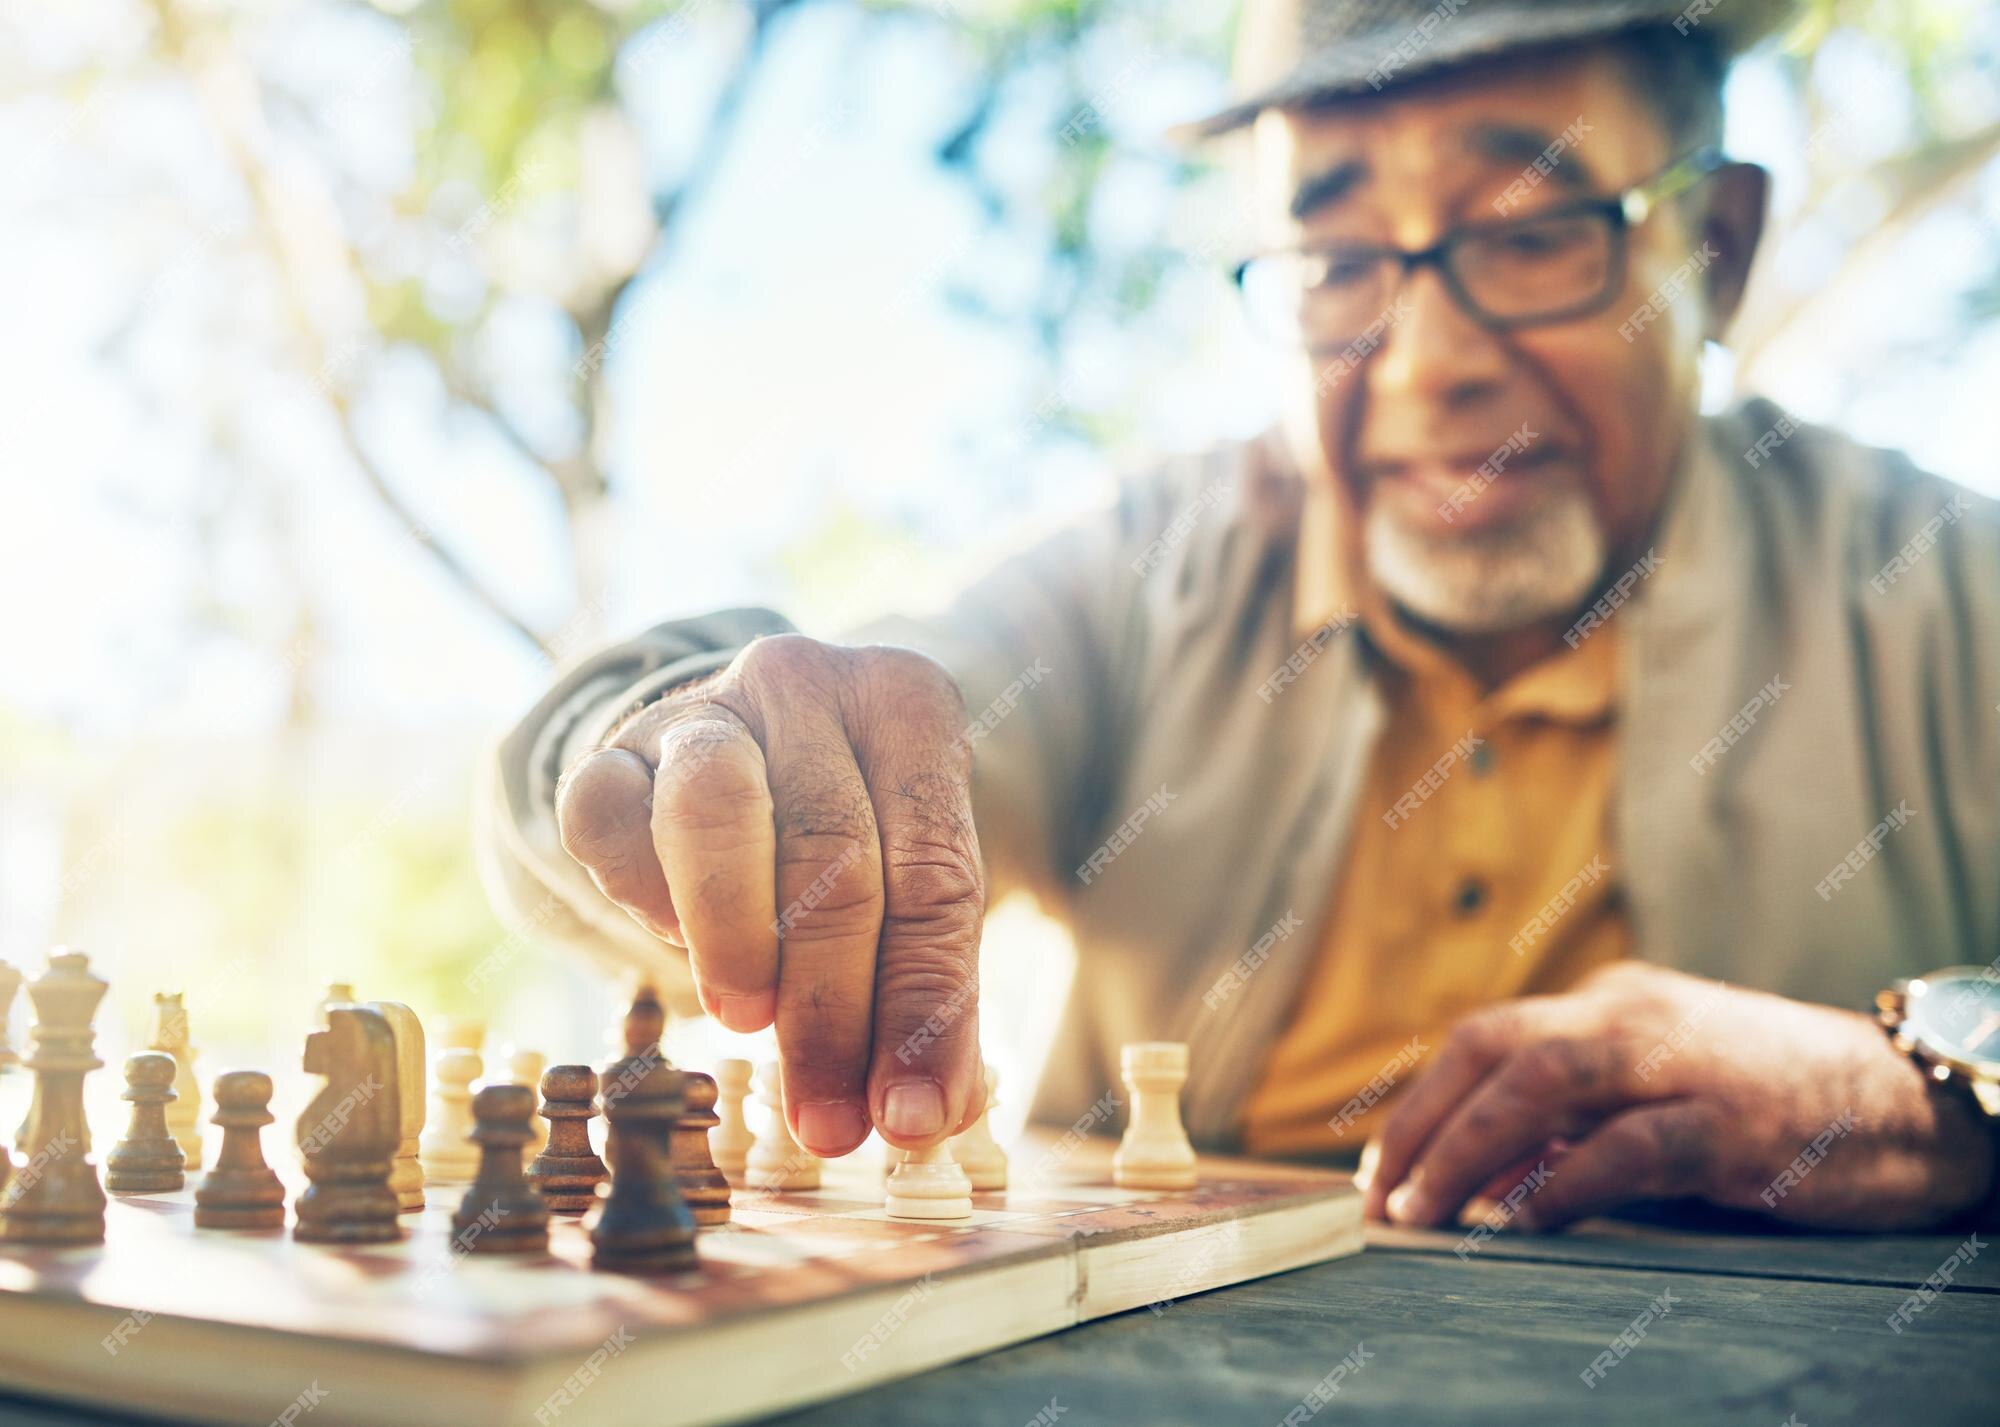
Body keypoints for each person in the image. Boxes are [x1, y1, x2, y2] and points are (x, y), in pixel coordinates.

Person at [480, 0, 2000, 1232]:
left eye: (1535, 231)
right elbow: (877, 710)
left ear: (1714, 252)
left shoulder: (1945, 590)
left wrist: (1926, 1098)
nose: (1424, 364)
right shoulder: (1149, 570)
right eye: (1340, 264)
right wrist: (679, 741)